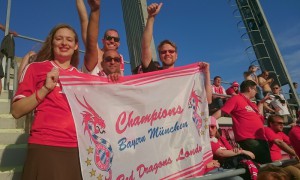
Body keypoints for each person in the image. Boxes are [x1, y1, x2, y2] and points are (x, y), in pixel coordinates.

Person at [11, 1, 100, 179]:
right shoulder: (35, 68)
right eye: (59, 38)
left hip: (77, 149)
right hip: (44, 146)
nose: (64, 43)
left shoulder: (81, 77)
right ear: (52, 43)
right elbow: (16, 111)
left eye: (69, 39)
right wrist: (44, 89)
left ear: (76, 46)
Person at [141, 3, 212, 104]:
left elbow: (208, 100)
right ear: (159, 55)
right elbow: (145, 47)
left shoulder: (186, 78)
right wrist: (151, 18)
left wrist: (207, 73)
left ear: (176, 55)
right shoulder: (153, 72)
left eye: (171, 51)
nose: (167, 54)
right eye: (163, 52)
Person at [212, 80, 272, 164]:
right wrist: (208, 122)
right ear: (249, 89)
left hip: (261, 138)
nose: (256, 92)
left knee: (266, 164)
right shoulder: (236, 98)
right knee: (265, 164)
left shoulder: (252, 104)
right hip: (248, 138)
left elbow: (260, 117)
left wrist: (261, 103)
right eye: (255, 89)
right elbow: (221, 112)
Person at [76, 0, 124, 76]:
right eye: (109, 38)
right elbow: (84, 22)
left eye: (116, 39)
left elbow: (121, 77)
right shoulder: (95, 52)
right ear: (103, 41)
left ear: (119, 43)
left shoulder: (119, 58)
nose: (112, 41)